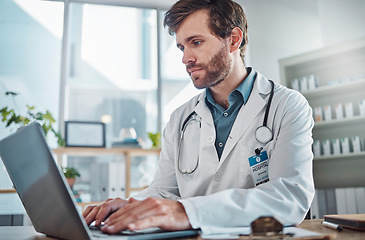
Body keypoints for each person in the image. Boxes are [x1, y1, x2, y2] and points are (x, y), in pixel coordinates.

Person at [83, 0, 314, 234]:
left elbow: (289, 197)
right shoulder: (180, 119)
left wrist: (186, 212)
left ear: (234, 39)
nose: (186, 59)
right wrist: (130, 205)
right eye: (182, 48)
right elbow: (164, 191)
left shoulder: (287, 106)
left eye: (196, 42)